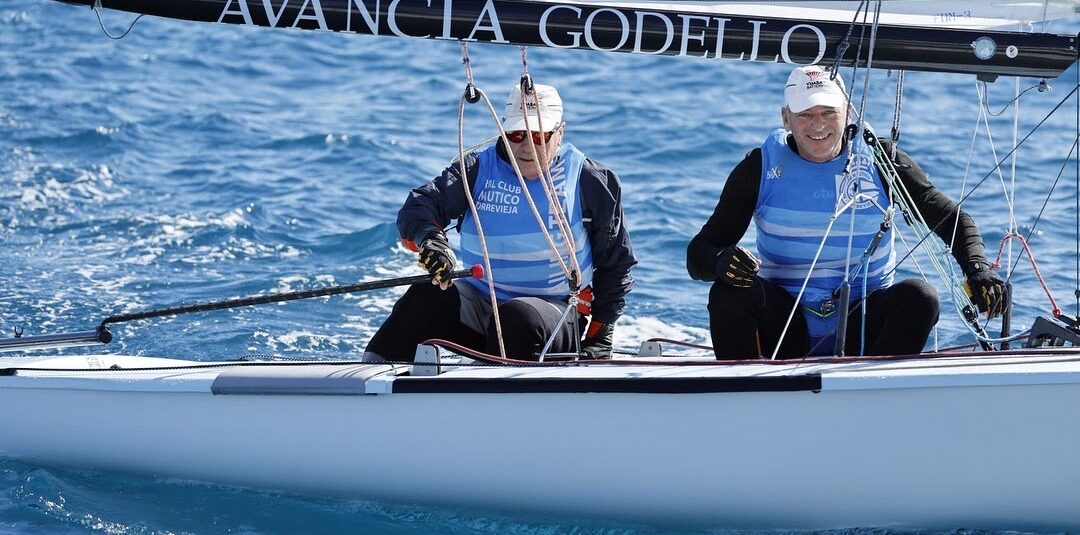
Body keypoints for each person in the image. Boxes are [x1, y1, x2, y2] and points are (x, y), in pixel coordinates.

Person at [687, 65, 1008, 359]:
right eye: (805, 115)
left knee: (920, 297)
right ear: (785, 118)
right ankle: (742, 401)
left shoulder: (882, 161)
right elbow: (699, 253)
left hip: (864, 325)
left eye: (829, 112)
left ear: (848, 112)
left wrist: (978, 269)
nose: (819, 125)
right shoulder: (759, 168)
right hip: (785, 326)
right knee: (728, 294)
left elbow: (953, 220)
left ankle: (875, 397)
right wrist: (720, 262)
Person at [365, 83, 636, 362]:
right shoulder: (476, 169)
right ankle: (367, 385)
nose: (526, 147)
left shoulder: (589, 180)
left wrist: (601, 334)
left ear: (560, 133)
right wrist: (431, 240)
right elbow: (418, 207)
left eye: (539, 136)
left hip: (552, 318)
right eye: (516, 135)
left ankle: (496, 396)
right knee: (424, 296)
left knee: (516, 318)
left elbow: (616, 263)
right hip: (482, 308)